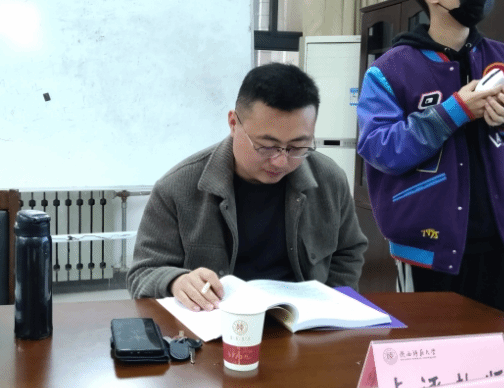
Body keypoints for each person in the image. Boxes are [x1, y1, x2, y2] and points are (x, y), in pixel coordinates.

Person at [357, 0, 504, 317]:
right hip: (427, 248)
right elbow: (379, 149)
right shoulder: (389, 70)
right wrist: (454, 111)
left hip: (502, 241)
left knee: (499, 347)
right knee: (431, 348)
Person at [127, 63, 367, 311]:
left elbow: (349, 251)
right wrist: (176, 281)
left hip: (302, 324)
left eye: (297, 147)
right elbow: (142, 274)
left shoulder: (329, 180)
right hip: (216, 323)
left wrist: (331, 308)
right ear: (233, 123)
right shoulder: (177, 188)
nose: (281, 161)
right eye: (266, 146)